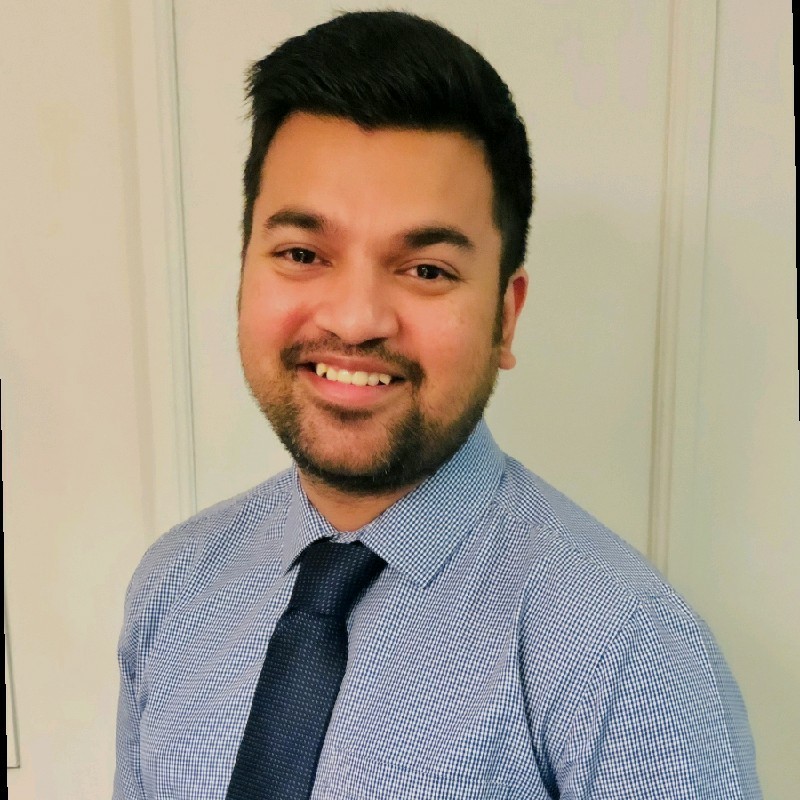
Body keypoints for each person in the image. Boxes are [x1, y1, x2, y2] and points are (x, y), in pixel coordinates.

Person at [114, 11, 761, 799]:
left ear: (505, 317)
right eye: (302, 254)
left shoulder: (628, 650)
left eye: (426, 270)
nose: (355, 320)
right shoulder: (174, 587)